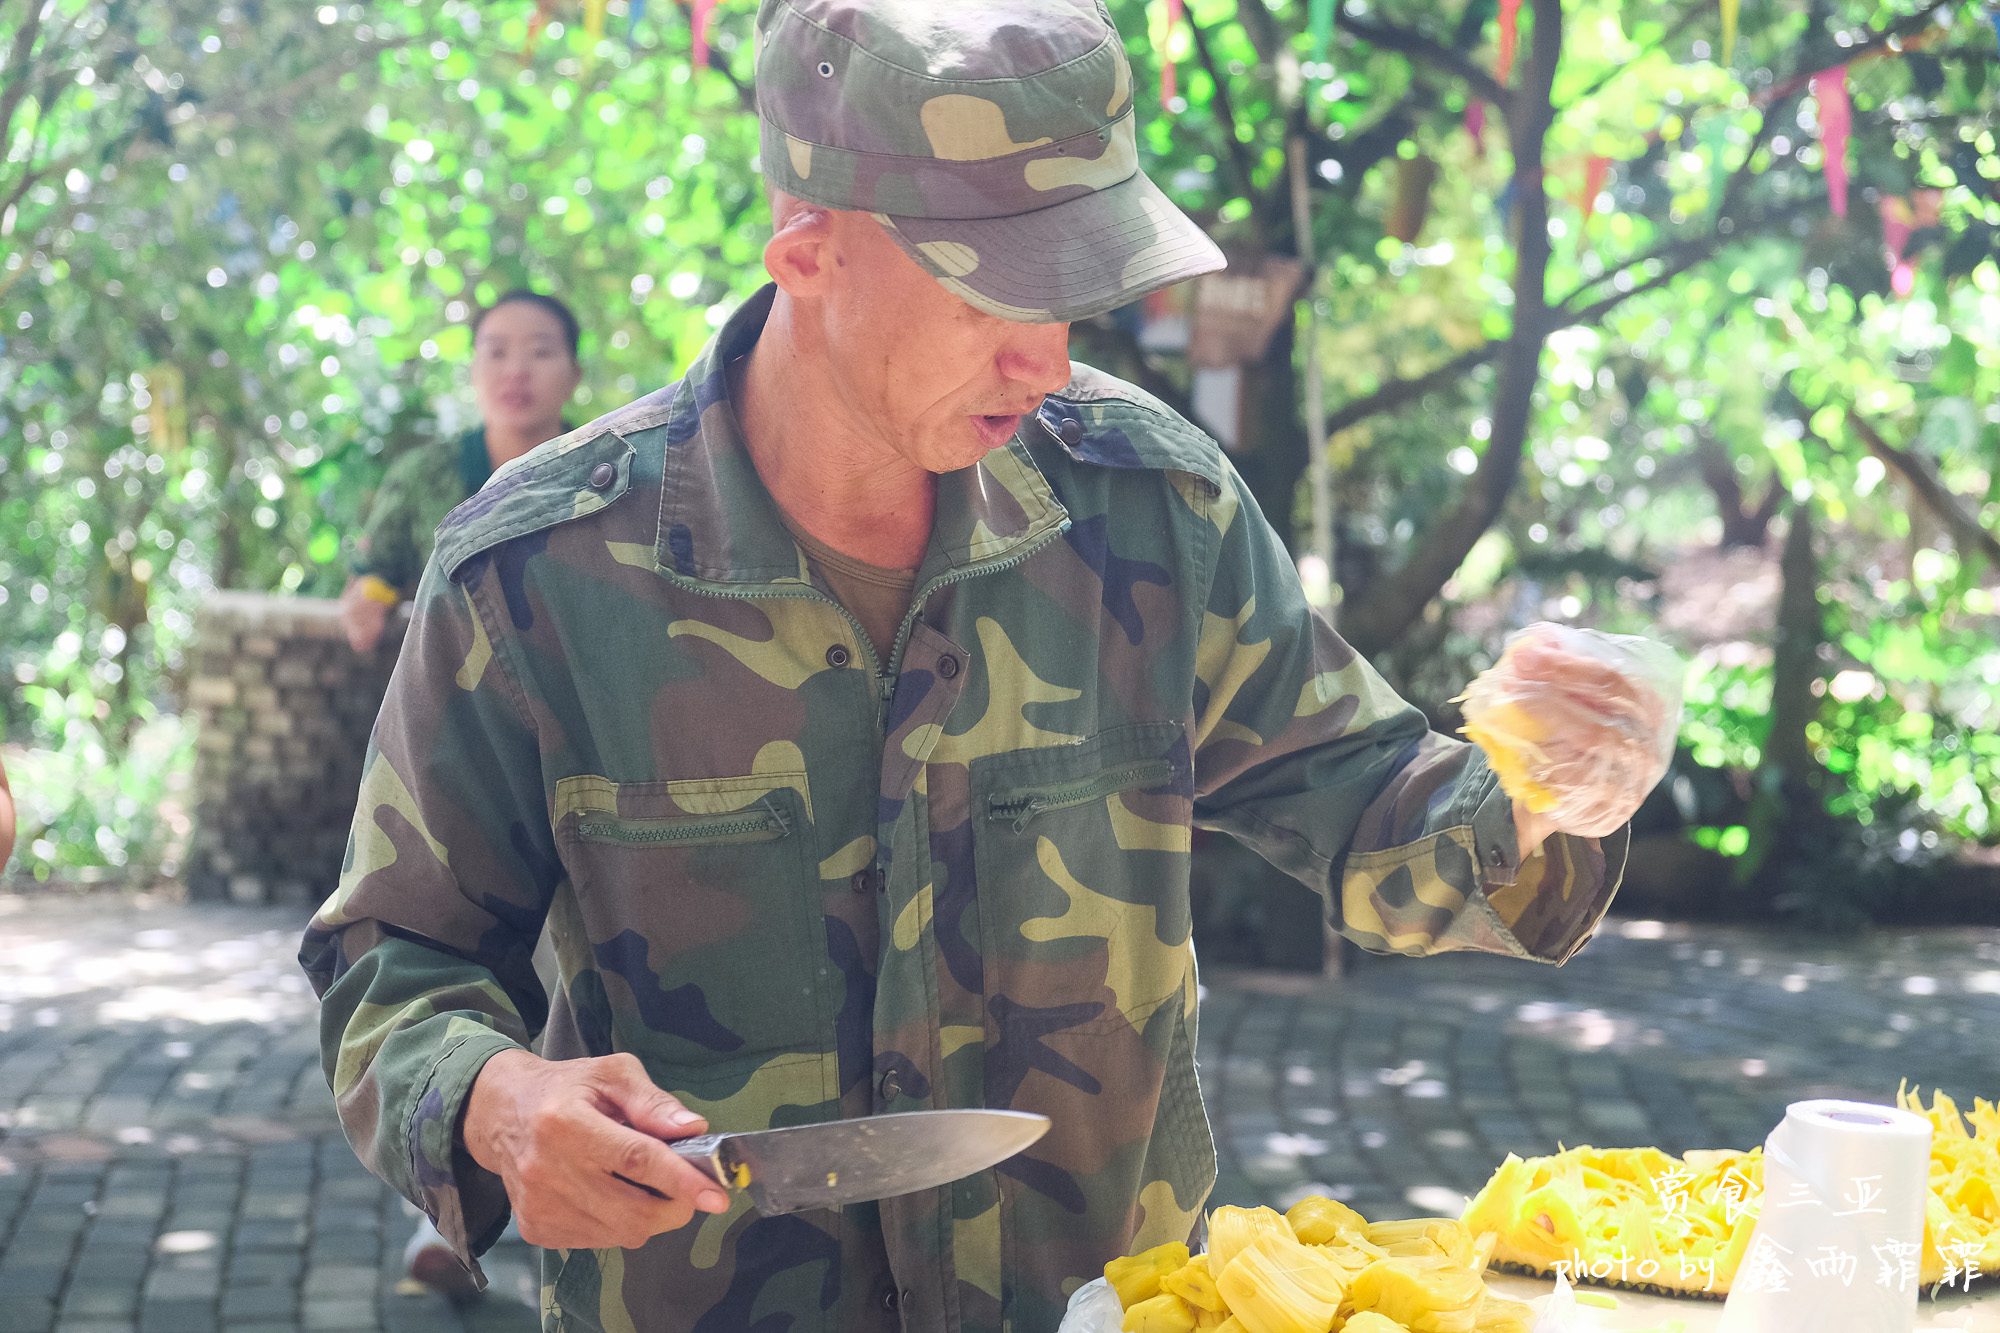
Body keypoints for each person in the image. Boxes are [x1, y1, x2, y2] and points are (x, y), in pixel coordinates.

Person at [301, 2, 1666, 1329]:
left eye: (1080, 285)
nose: (1048, 352)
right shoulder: (539, 573)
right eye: (996, 286)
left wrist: (1553, 793)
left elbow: (1377, 815)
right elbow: (394, 960)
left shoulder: (1154, 513)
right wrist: (490, 1100)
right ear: (808, 248)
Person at [338, 290, 584, 653]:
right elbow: (374, 572)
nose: (516, 371)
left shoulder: (607, 470)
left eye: (541, 352)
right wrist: (368, 597)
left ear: (574, 375)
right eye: (497, 352)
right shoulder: (422, 475)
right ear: (473, 369)